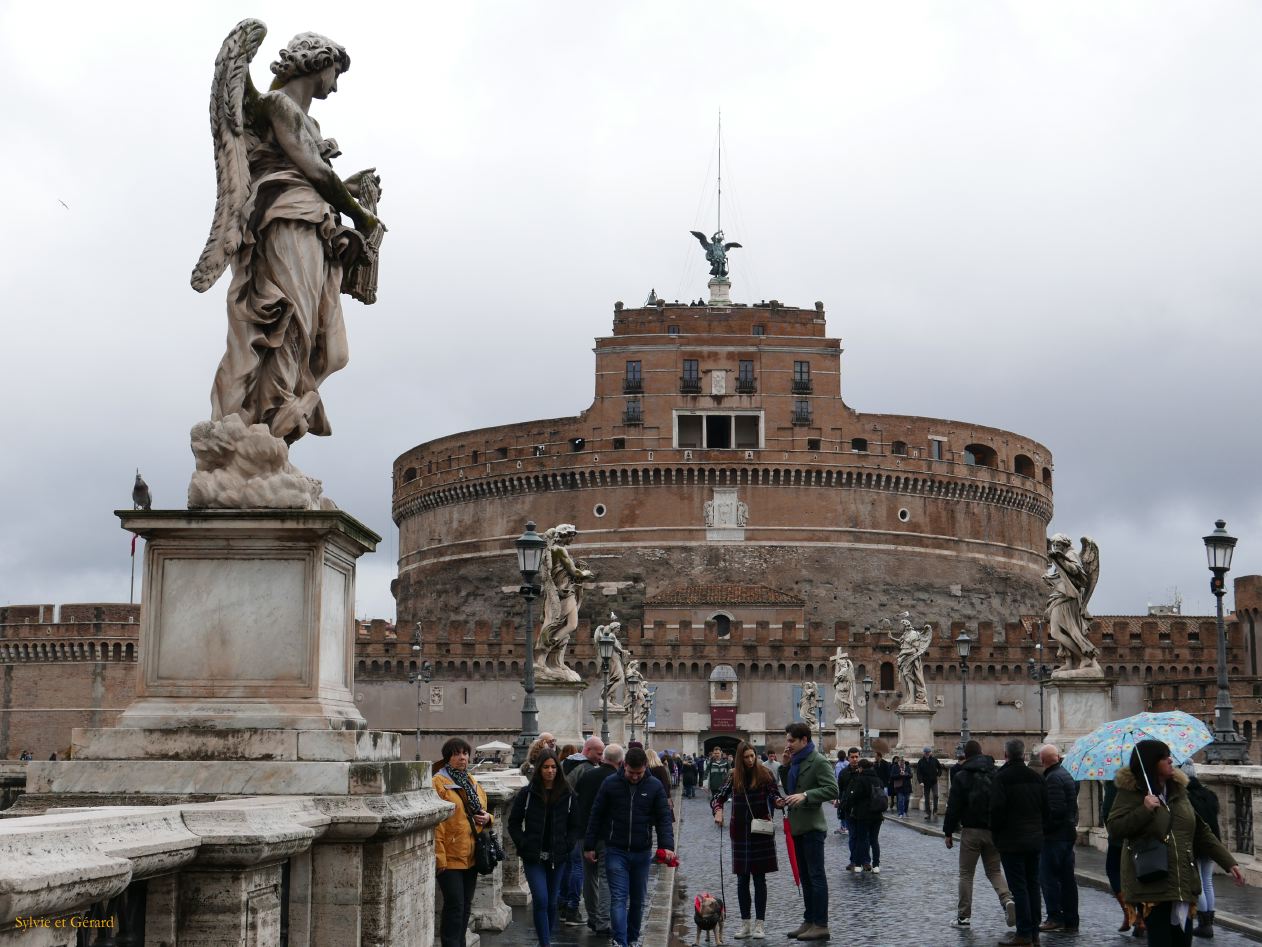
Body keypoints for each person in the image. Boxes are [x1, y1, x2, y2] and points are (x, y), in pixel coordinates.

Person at [200, 29, 382, 446]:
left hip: (310, 223)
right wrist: (361, 218)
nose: (334, 86)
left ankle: (277, 421)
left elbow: (315, 174)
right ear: (316, 62)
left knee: (316, 335)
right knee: (288, 321)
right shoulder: (277, 105)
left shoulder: (309, 121)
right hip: (283, 220)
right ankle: (267, 419)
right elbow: (315, 173)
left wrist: (348, 190)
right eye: (334, 73)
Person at [1108, 740, 1243, 947]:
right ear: (1151, 763)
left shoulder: (1179, 791)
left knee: (1183, 942)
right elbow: (1115, 829)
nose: (1171, 760)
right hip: (1153, 882)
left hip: (1183, 883)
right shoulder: (1132, 792)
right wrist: (1144, 810)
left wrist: (1229, 863)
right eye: (1164, 757)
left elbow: (1200, 830)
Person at [585, 746, 675, 947]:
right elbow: (596, 815)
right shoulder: (610, 784)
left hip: (642, 851)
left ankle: (632, 938)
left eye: (639, 773)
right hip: (615, 850)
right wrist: (590, 845)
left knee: (638, 900)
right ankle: (620, 941)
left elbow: (663, 819)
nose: (634, 777)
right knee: (618, 897)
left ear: (645, 768)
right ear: (623, 765)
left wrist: (667, 845)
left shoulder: (654, 786)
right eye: (631, 773)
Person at [712, 740, 786, 939]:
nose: (750, 760)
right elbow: (717, 797)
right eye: (746, 757)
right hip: (741, 833)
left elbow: (774, 794)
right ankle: (745, 923)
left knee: (760, 879)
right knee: (742, 879)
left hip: (760, 831)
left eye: (753, 756)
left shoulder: (765, 774)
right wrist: (718, 811)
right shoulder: (733, 775)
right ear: (740, 758)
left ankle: (759, 924)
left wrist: (778, 802)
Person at [508, 750, 582, 947]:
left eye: (553, 767)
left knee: (551, 902)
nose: (550, 771)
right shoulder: (527, 793)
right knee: (540, 899)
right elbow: (513, 823)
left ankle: (545, 939)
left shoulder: (568, 794)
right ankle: (545, 944)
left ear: (558, 769)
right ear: (539, 769)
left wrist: (568, 845)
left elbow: (575, 825)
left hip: (558, 856)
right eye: (546, 767)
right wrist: (523, 843)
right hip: (534, 857)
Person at [943, 739, 1015, 930]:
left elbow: (954, 807)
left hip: (971, 831)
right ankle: (1007, 899)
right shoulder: (996, 774)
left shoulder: (961, 776)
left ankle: (964, 917)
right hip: (993, 830)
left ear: (965, 756)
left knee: (966, 874)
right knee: (994, 871)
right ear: (982, 753)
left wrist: (948, 831)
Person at [778, 723, 839, 941]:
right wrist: (784, 767)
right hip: (797, 826)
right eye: (787, 740)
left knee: (816, 876)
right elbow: (790, 790)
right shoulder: (795, 761)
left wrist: (806, 795)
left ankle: (821, 924)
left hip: (813, 827)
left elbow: (833, 789)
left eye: (791, 741)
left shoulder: (818, 761)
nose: (788, 745)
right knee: (805, 877)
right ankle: (809, 920)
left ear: (804, 740)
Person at [433, 738, 494, 947]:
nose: (462, 758)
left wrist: (488, 819)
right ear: (447, 758)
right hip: (450, 856)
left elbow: (484, 810)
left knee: (466, 906)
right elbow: (437, 824)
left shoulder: (471, 781)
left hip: (472, 854)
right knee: (455, 906)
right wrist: (439, 857)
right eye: (457, 754)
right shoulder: (438, 783)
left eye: (465, 753)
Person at [989, 739, 1048, 947]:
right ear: (1023, 755)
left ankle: (1023, 933)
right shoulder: (1037, 778)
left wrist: (996, 836)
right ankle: (1034, 932)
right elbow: (1046, 809)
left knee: (1019, 887)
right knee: (1033, 885)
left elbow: (996, 811)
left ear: (1006, 755)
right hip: (1034, 840)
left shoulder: (1001, 778)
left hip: (1011, 841)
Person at [575, 744, 622, 936]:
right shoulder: (616, 780)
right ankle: (603, 922)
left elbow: (577, 801)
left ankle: (593, 918)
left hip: (583, 834)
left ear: (604, 757)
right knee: (604, 878)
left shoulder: (587, 775)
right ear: (620, 762)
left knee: (589, 877)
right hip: (605, 835)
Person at [560, 737, 605, 926]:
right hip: (578, 824)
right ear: (588, 751)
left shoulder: (564, 763)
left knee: (567, 865)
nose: (601, 757)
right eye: (598, 753)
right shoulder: (587, 770)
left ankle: (562, 903)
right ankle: (572, 909)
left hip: (562, 820)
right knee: (578, 867)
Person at [1038, 744, 1080, 935]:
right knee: (1067, 879)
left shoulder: (1053, 778)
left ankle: (1054, 917)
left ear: (1043, 760)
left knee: (1049, 878)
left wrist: (1044, 829)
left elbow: (1056, 810)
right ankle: (1071, 919)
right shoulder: (1065, 774)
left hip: (1055, 836)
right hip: (1067, 833)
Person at [1182, 762, 1223, 940]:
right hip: (1212, 843)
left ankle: (1203, 923)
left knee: (1198, 882)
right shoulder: (1209, 794)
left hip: (1195, 844)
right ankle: (1209, 923)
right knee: (1207, 881)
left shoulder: (1185, 797)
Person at [1102, 778, 1145, 937]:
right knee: (1140, 876)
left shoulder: (1114, 784)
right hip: (1141, 838)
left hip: (1119, 839)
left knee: (1113, 871)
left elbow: (1107, 811)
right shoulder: (1144, 780)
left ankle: (1129, 912)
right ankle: (1142, 917)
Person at [840, 758, 885, 872]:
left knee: (861, 839)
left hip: (863, 815)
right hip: (877, 815)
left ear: (860, 768)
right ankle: (876, 865)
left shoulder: (860, 780)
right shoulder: (878, 779)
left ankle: (858, 865)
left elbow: (854, 797)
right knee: (874, 840)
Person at [834, 747, 861, 865]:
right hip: (849, 808)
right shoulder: (844, 773)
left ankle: (865, 860)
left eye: (856, 757)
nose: (855, 759)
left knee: (863, 836)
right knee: (852, 836)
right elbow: (840, 790)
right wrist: (839, 801)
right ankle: (853, 860)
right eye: (852, 757)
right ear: (848, 758)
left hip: (862, 808)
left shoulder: (864, 771)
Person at [916, 746, 942, 821]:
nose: (927, 754)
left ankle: (935, 811)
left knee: (936, 795)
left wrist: (939, 774)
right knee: (927, 798)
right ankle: (928, 813)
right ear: (924, 753)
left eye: (928, 752)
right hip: (925, 782)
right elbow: (918, 773)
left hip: (934, 781)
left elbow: (940, 768)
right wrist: (920, 781)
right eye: (926, 752)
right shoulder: (920, 761)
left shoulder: (935, 760)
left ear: (931, 753)